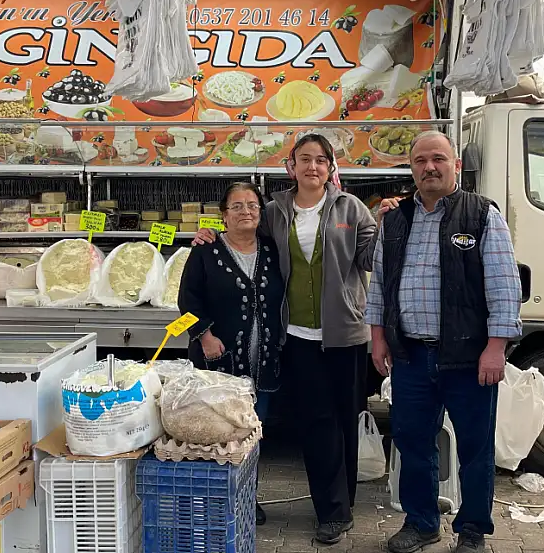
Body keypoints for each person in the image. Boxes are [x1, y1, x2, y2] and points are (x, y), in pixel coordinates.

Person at [193, 134, 377, 544]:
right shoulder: (275, 211)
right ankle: (330, 511)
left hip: (346, 334)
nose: (313, 167)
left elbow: (370, 257)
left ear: (331, 168)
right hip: (297, 335)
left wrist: (391, 222)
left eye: (321, 160)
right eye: (305, 159)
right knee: (316, 422)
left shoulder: (350, 208)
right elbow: (243, 234)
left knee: (346, 420)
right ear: (290, 166)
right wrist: (209, 235)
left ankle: (342, 502)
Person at [365, 131, 522, 553]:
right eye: (420, 160)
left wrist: (496, 347)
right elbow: (379, 284)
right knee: (413, 443)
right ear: (411, 168)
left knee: (474, 447)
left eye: (438, 159)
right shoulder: (395, 221)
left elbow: (504, 288)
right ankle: (421, 523)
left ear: (456, 165)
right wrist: (377, 336)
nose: (429, 167)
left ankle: (472, 531)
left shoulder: (481, 215)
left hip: (469, 356)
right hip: (411, 355)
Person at [178, 182, 286, 526]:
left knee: (252, 433)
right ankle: (214, 503)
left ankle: (246, 498)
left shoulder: (272, 249)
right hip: (218, 361)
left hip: (263, 359)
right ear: (223, 215)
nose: (246, 212)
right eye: (237, 206)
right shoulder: (205, 251)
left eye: (253, 205)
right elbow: (188, 299)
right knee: (216, 433)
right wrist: (204, 335)